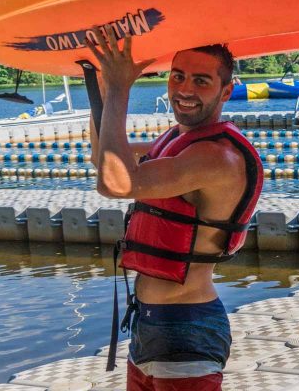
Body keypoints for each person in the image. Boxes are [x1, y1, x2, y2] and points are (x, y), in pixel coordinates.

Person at [88, 26, 264, 391]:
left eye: (201, 81)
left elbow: (115, 184)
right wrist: (102, 91)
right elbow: (104, 159)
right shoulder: (176, 141)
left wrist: (121, 88)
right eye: (178, 76)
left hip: (186, 328)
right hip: (147, 326)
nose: (184, 89)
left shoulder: (214, 157)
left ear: (226, 91)